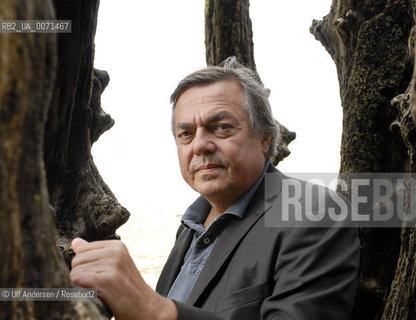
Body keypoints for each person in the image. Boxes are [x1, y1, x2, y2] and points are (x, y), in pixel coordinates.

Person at [70, 57, 359, 320]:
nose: (199, 145)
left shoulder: (315, 212)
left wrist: (155, 309)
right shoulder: (189, 227)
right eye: (186, 134)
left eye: (220, 127)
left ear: (265, 139)